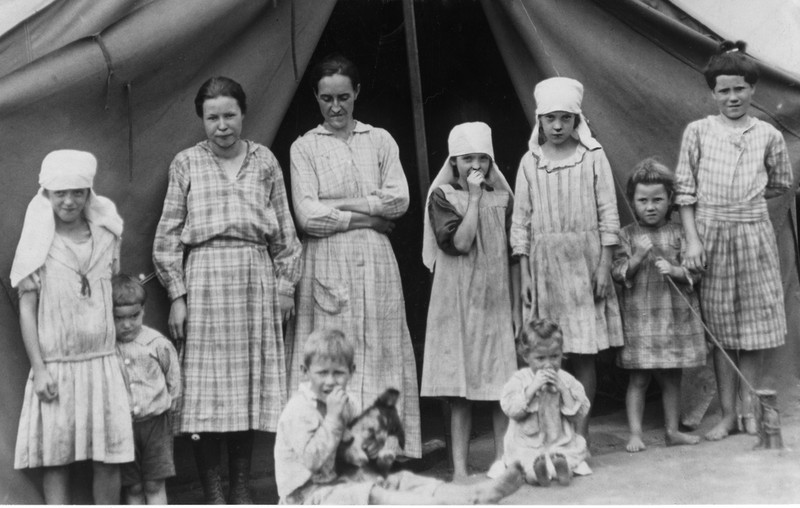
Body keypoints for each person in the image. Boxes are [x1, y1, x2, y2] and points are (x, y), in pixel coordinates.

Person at [153, 76, 302, 503]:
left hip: (254, 278)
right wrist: (177, 297)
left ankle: (240, 490)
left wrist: (285, 286)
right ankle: (213, 493)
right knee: (205, 394)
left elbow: (286, 235)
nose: (222, 125)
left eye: (229, 115)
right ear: (201, 119)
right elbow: (167, 237)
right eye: (212, 117)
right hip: (205, 282)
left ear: (243, 113)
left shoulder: (265, 161)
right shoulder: (186, 163)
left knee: (247, 390)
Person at [286, 53, 421, 458]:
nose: (336, 107)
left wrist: (340, 203)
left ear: (357, 93)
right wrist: (367, 215)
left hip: (376, 263)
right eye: (326, 99)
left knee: (379, 352)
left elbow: (399, 200)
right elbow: (308, 216)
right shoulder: (304, 147)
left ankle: (380, 451)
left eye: (343, 97)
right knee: (333, 357)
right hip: (326, 261)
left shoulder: (379, 140)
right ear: (316, 97)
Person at [675, 40, 793, 441]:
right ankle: (726, 415)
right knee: (722, 330)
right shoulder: (699, 132)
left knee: (756, 328)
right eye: (723, 90)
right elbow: (685, 192)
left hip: (754, 234)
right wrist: (693, 242)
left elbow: (780, 183)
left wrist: (745, 207)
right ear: (712, 93)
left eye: (739, 88)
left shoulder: (768, 135)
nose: (732, 97)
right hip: (710, 235)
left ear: (752, 89)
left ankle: (750, 411)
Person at [274, 328, 525, 504]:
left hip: (342, 481)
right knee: (373, 495)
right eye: (322, 373)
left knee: (399, 479)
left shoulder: (347, 402)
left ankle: (473, 496)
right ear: (305, 371)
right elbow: (311, 462)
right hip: (307, 495)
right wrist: (332, 421)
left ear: (351, 372)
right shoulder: (299, 409)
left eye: (338, 373)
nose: (330, 381)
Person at [10, 149, 134, 504]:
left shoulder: (107, 237)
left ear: (88, 194)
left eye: (77, 192)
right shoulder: (37, 244)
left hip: (103, 365)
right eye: (60, 192)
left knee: (110, 459)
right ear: (46, 194)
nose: (69, 201)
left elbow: (107, 294)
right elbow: (27, 310)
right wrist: (40, 369)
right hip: (57, 368)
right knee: (56, 460)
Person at [510, 77, 623, 440]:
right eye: (549, 119)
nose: (557, 126)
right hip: (544, 269)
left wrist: (604, 265)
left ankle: (581, 437)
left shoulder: (593, 157)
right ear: (539, 121)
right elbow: (521, 222)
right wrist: (525, 275)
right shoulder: (530, 163)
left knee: (584, 353)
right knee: (547, 355)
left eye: (565, 118)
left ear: (577, 120)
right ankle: (550, 435)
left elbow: (609, 212)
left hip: (585, 265)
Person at [420, 121, 519, 481]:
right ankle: (460, 470)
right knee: (460, 390)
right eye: (466, 159)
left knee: (498, 386)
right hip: (457, 301)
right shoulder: (443, 197)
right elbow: (460, 244)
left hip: (493, 298)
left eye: (483, 158)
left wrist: (516, 304)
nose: (475, 166)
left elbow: (513, 252)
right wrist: (475, 199)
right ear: (454, 162)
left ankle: (502, 460)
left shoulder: (503, 198)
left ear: (492, 163)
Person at [611, 158, 705, 452]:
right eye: (642, 200)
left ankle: (672, 430)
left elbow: (697, 271)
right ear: (632, 201)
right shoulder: (626, 235)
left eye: (657, 200)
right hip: (640, 322)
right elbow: (617, 271)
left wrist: (676, 270)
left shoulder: (681, 232)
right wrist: (637, 257)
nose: (650, 207)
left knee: (672, 379)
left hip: (673, 320)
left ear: (670, 200)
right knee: (638, 379)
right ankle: (636, 433)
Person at [113, 274, 181, 504]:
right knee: (132, 487)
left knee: (154, 483)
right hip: (123, 426)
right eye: (119, 318)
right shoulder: (108, 348)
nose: (127, 324)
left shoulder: (156, 343)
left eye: (134, 316)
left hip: (155, 425)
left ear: (143, 310)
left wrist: (169, 406)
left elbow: (173, 378)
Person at [500, 319, 591, 487]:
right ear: (526, 356)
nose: (548, 363)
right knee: (524, 463)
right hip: (527, 444)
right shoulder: (520, 379)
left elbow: (578, 415)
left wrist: (564, 391)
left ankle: (563, 471)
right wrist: (531, 389)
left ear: (561, 352)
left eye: (555, 356)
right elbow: (512, 409)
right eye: (540, 358)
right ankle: (537, 473)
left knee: (570, 456)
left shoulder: (565, 379)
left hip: (560, 442)